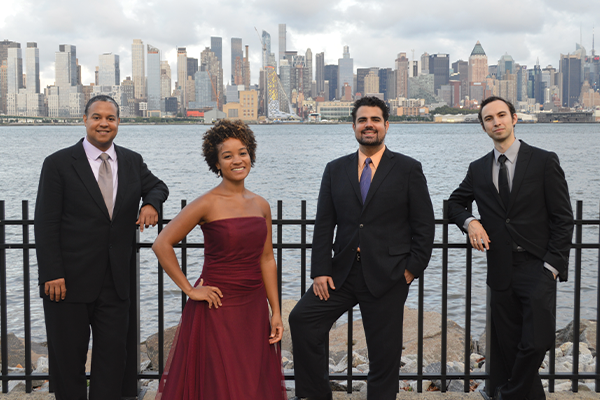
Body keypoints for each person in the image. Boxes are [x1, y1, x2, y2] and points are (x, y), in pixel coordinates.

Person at [289, 96, 435, 400]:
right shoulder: (335, 169)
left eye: (375, 120)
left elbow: (424, 225)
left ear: (386, 125)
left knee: (384, 353)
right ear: (353, 126)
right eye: (362, 120)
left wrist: (411, 269)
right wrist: (320, 271)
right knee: (303, 319)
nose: (369, 125)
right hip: (340, 274)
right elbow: (324, 224)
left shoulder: (408, 168)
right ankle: (316, 395)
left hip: (388, 274)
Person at [34, 95, 169, 400]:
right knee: (68, 361)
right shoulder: (58, 164)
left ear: (118, 123)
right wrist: (51, 274)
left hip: (115, 282)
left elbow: (158, 186)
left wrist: (151, 203)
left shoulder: (132, 161)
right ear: (85, 120)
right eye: (97, 117)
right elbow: (45, 223)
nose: (104, 123)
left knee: (112, 360)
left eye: (111, 118)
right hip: (67, 283)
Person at [447, 96, 573, 399]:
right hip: (501, 270)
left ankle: (506, 393)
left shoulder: (544, 160)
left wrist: (552, 267)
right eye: (489, 119)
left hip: (538, 266)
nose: (496, 122)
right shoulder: (478, 169)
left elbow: (563, 217)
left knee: (536, 341)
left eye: (501, 115)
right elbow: (453, 203)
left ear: (514, 118)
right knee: (508, 345)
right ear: (483, 127)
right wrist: (470, 223)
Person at [152, 119, 286, 400]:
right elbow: (162, 244)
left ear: (251, 155)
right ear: (216, 164)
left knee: (251, 380)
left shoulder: (260, 205)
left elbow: (266, 259)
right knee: (219, 385)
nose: (237, 160)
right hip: (217, 306)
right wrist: (190, 289)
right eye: (228, 156)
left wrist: (275, 311)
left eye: (243, 153)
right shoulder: (206, 203)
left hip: (253, 306)